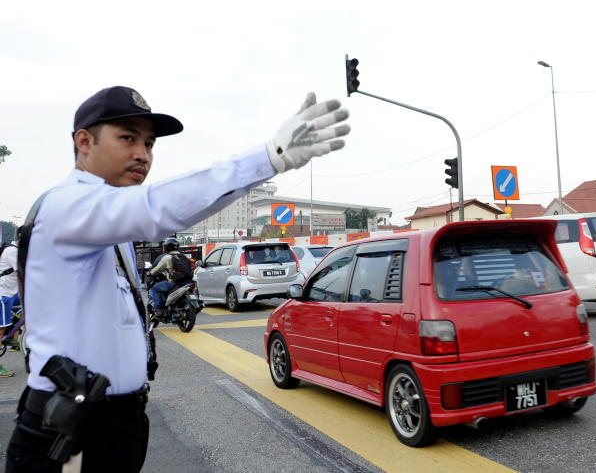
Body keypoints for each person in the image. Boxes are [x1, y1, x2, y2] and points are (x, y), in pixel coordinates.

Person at [5, 85, 350, 472]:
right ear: (84, 141)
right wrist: (270, 157)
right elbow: (156, 207)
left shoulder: (104, 220)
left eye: (149, 144)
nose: (143, 154)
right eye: (127, 138)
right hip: (68, 433)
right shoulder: (68, 206)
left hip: (110, 422)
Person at [147, 237, 182, 318]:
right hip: (185, 281)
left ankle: (158, 310)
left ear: (167, 247)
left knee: (155, 288)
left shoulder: (166, 257)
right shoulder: (182, 256)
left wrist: (150, 273)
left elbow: (156, 269)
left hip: (173, 282)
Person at [0, 235, 20, 377]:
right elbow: (25, 272)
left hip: (11, 294)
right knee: (0, 331)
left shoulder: (17, 250)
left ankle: (13, 333)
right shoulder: (13, 251)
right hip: (3, 295)